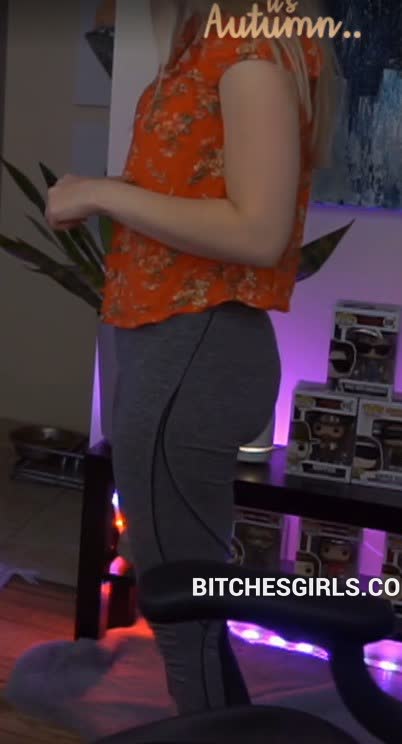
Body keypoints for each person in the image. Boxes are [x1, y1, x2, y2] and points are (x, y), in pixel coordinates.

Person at [46, 0, 339, 717]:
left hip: (192, 345)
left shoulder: (251, 50)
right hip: (167, 339)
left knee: (182, 607)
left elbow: (259, 231)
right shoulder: (208, 41)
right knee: (185, 603)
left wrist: (102, 192)